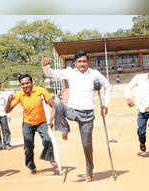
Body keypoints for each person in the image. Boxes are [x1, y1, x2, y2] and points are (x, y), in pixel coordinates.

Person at [42, 50, 111, 182]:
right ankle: (64, 129)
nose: (82, 64)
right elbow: (51, 74)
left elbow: (107, 85)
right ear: (75, 63)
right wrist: (46, 66)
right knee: (58, 104)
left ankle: (89, 169)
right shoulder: (70, 72)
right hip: (73, 111)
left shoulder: (94, 74)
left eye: (84, 61)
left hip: (88, 115)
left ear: (88, 62)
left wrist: (105, 105)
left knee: (87, 145)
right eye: (79, 61)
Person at [5, 73, 56, 175]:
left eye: (27, 83)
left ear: (32, 83)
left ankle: (50, 157)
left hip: (42, 122)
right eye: (23, 84)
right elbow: (7, 110)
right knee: (28, 147)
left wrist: (51, 119)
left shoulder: (40, 90)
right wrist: (9, 101)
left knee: (47, 139)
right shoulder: (19, 94)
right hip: (28, 123)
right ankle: (31, 165)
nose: (25, 86)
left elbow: (53, 106)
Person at [125, 64, 149, 152]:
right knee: (141, 132)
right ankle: (142, 143)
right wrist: (128, 98)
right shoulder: (139, 78)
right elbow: (128, 87)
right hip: (141, 110)